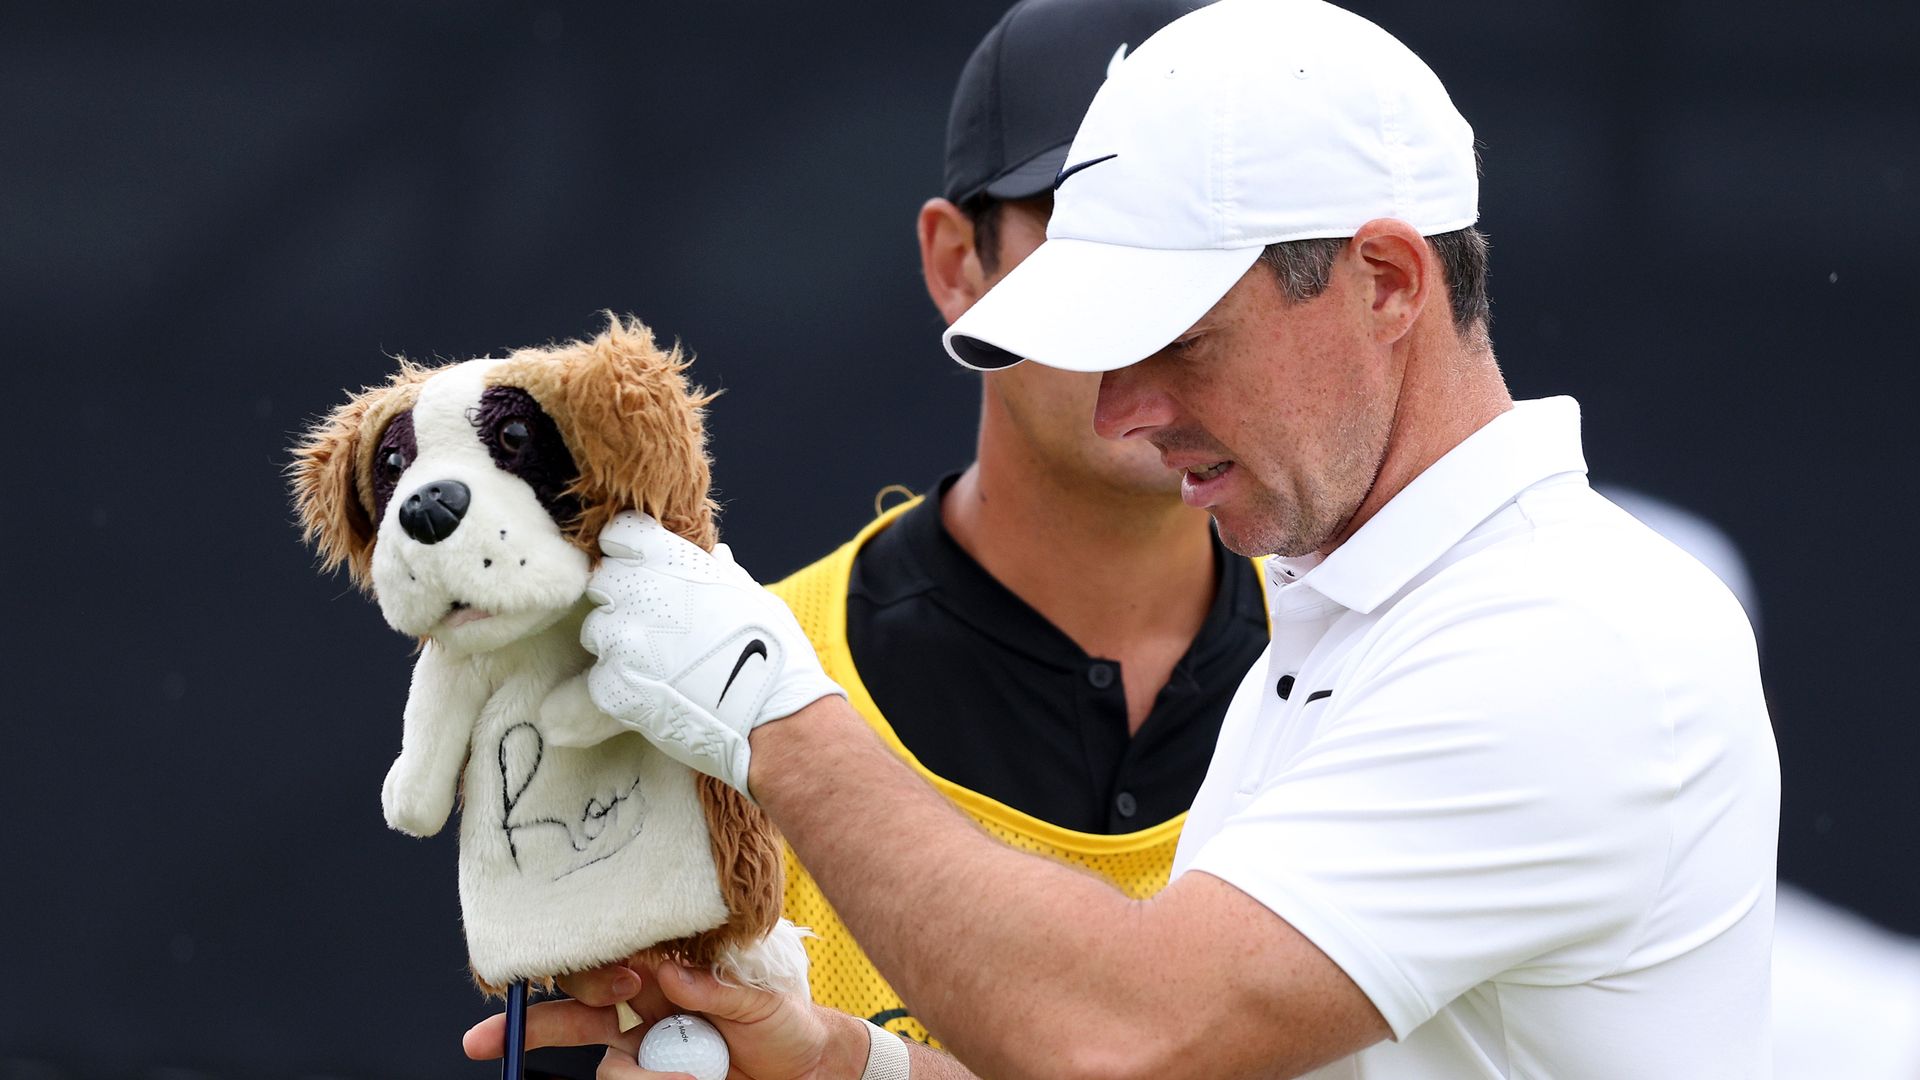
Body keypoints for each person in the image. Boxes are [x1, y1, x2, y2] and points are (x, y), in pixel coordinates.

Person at [470, 0, 1780, 1076]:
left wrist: (767, 711)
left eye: (1180, 341)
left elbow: (1122, 1038)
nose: (1125, 412)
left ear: (1386, 284)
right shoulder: (1366, 610)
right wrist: (835, 1062)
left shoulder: (1561, 641)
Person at [766, 0, 1264, 1048]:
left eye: (1201, 241)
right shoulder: (737, 687)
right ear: (959, 266)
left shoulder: (1388, 663)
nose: (1151, 305)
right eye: (1091, 230)